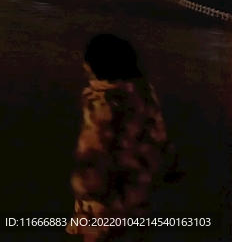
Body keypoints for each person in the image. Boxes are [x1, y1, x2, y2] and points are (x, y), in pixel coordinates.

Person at [66, 34, 173, 240]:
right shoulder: (145, 93)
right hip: (141, 197)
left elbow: (94, 153)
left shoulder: (102, 102)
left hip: (106, 206)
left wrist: (83, 186)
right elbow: (161, 141)